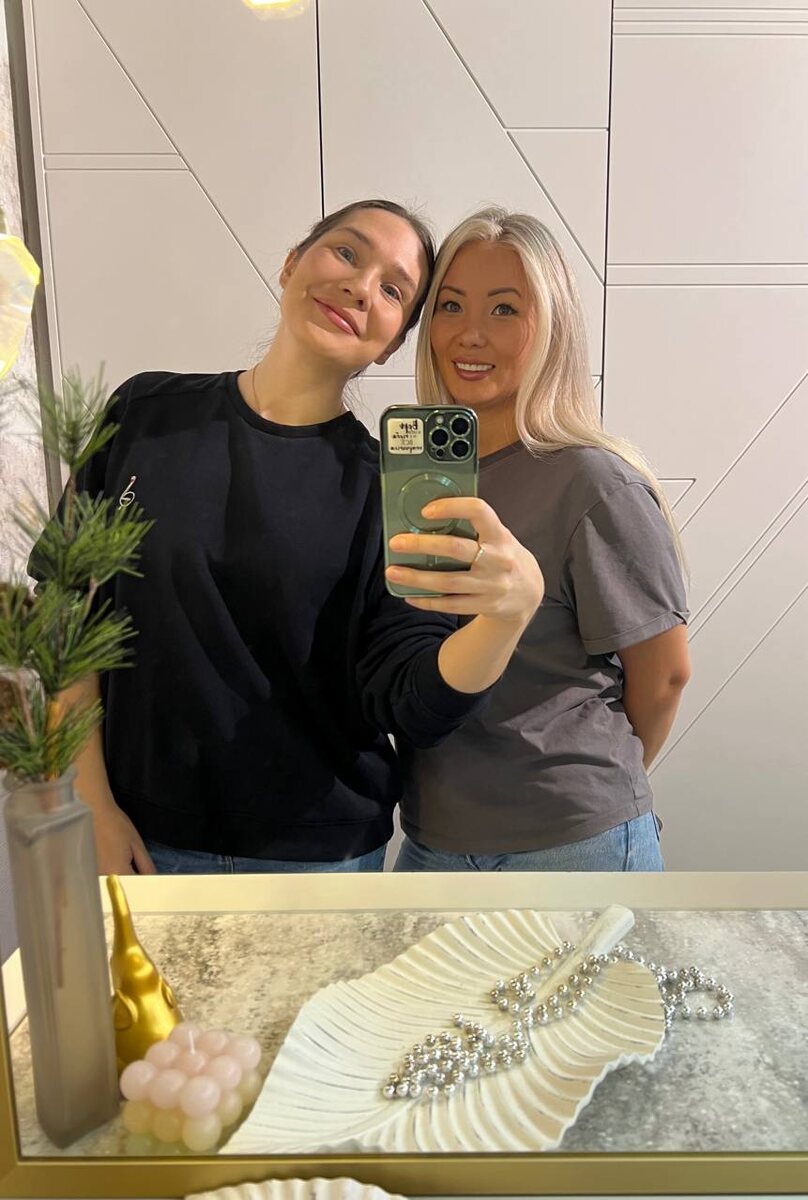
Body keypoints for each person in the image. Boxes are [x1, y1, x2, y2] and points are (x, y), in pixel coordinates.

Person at [44, 199, 543, 875]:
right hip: (136, 839)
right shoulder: (145, 413)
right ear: (291, 263)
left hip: (318, 861)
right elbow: (65, 610)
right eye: (347, 252)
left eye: (393, 290)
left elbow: (412, 704)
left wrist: (506, 620)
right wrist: (91, 800)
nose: (360, 286)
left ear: (393, 342)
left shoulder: (385, 490)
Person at [393, 208, 690, 872]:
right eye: (450, 306)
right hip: (432, 838)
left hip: (571, 844)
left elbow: (666, 674)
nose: (470, 333)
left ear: (553, 326)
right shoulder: (413, 485)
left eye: (505, 309)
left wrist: (581, 795)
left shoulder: (593, 482)